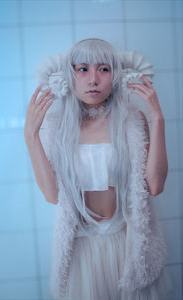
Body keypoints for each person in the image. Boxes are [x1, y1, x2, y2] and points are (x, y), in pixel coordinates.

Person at [24, 38, 172, 300]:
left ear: (116, 75)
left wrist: (157, 118)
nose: (93, 79)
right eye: (83, 69)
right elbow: (52, 195)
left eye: (104, 69)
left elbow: (155, 186)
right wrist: (31, 136)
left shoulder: (132, 120)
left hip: (127, 245)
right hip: (81, 249)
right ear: (70, 75)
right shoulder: (56, 126)